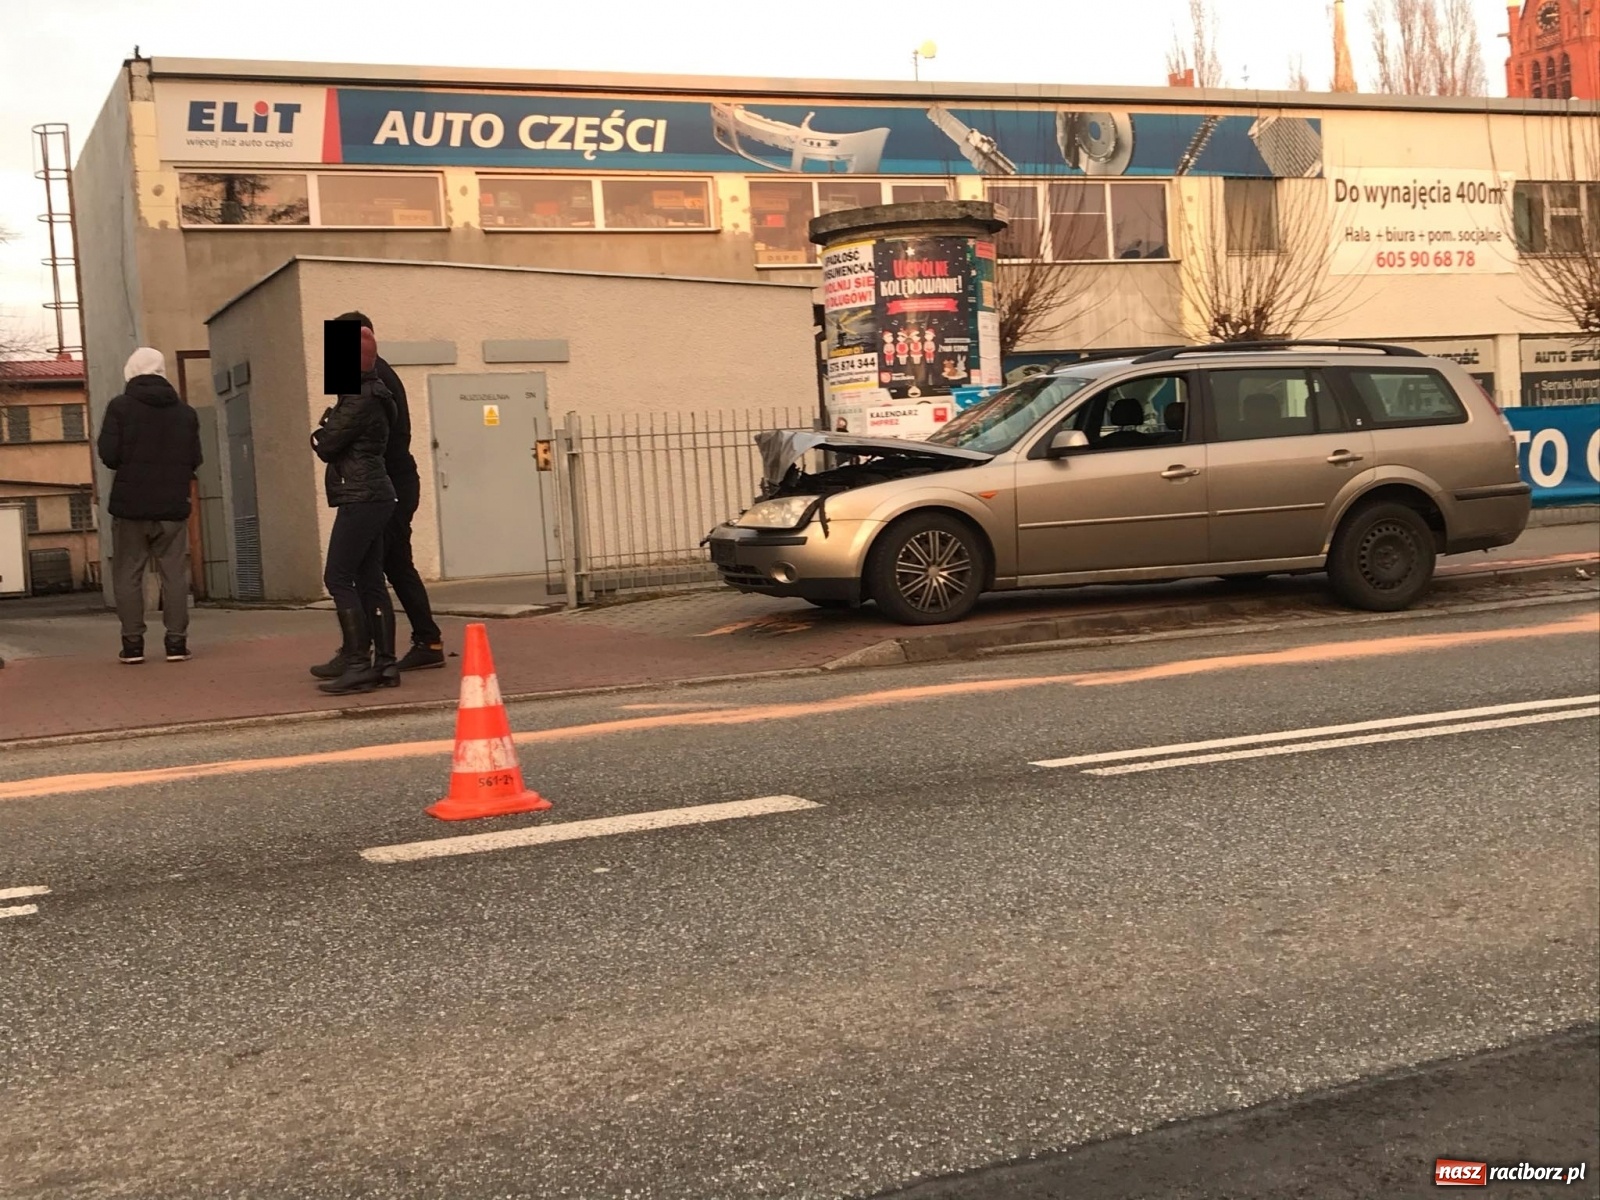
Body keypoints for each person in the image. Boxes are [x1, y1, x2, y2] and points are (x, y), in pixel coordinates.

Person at [332, 311, 444, 672]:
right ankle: (415, 642)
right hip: (388, 482)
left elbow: (346, 435)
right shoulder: (373, 374)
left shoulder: (374, 378)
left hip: (386, 483)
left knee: (373, 567)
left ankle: (371, 653)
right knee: (390, 564)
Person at [96, 347, 203, 665]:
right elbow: (195, 458)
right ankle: (176, 643)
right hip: (172, 506)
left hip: (130, 508)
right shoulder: (186, 413)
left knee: (129, 574)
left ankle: (132, 645)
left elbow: (109, 454)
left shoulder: (119, 407)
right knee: (174, 574)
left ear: (131, 371)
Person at [310, 326, 400, 695]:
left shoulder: (357, 398)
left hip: (361, 496)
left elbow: (329, 445)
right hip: (376, 494)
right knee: (370, 580)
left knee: (338, 577)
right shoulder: (377, 393)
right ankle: (386, 664)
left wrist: (320, 431)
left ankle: (359, 662)